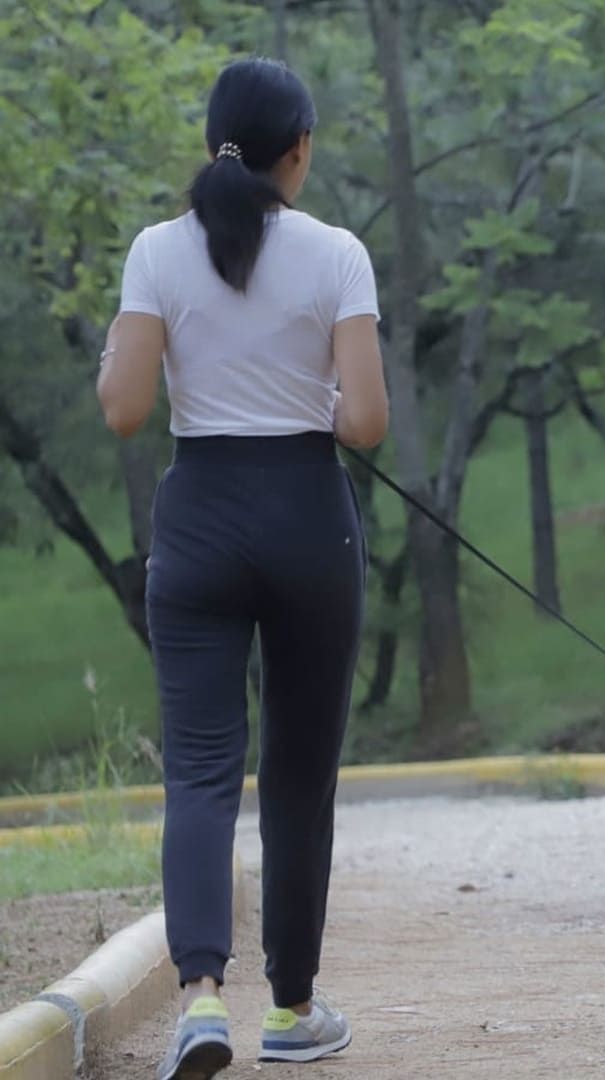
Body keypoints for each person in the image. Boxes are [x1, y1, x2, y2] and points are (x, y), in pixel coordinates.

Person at [96, 57, 386, 1079]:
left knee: (202, 775)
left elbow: (126, 409)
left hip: (203, 524)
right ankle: (295, 1009)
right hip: (308, 519)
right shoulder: (338, 254)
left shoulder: (156, 254)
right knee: (300, 781)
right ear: (297, 150)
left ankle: (200, 999)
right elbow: (366, 421)